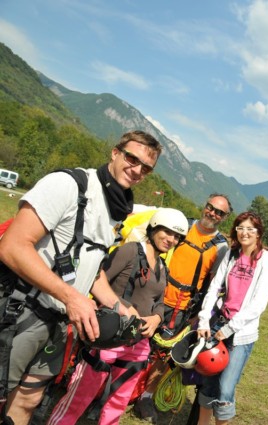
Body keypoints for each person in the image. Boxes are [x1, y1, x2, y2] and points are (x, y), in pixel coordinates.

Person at [0, 130, 161, 425]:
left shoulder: (117, 211)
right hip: (20, 312)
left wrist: (120, 306)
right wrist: (72, 297)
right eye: (131, 158)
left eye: (146, 168)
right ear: (115, 152)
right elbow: (12, 246)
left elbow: (93, 268)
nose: (137, 170)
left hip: (60, 322)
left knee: (29, 400)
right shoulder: (68, 185)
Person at [47, 208, 188, 425]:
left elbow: (160, 302)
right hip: (109, 336)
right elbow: (97, 280)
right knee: (81, 394)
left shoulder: (162, 267)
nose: (171, 239)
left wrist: (157, 319)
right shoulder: (130, 251)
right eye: (167, 232)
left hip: (139, 344)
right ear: (153, 228)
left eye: (177, 237)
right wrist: (121, 307)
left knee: (119, 401)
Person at [133, 194, 232, 423]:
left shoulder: (220, 248)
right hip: (154, 294)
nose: (212, 214)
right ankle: (115, 389)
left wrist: (199, 315)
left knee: (162, 354)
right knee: (133, 341)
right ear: (204, 206)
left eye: (219, 212)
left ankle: (145, 397)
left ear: (224, 217)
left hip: (182, 308)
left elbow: (214, 285)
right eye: (210, 208)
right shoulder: (181, 226)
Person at [196, 211, 268, 425]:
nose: (245, 233)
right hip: (219, 326)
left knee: (225, 390)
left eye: (251, 228)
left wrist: (231, 328)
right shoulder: (231, 255)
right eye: (241, 228)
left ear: (259, 233)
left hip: (241, 334)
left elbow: (259, 303)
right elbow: (214, 288)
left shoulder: (266, 260)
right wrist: (204, 320)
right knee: (209, 384)